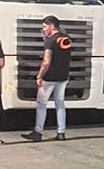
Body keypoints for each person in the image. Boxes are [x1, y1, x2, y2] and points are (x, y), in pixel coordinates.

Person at [22, 14, 71, 142]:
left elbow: (46, 61)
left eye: (44, 26)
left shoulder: (50, 41)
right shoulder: (66, 39)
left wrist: (39, 76)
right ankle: (61, 132)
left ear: (51, 26)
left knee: (42, 104)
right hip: (63, 76)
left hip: (49, 77)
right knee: (60, 104)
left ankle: (38, 132)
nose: (43, 29)